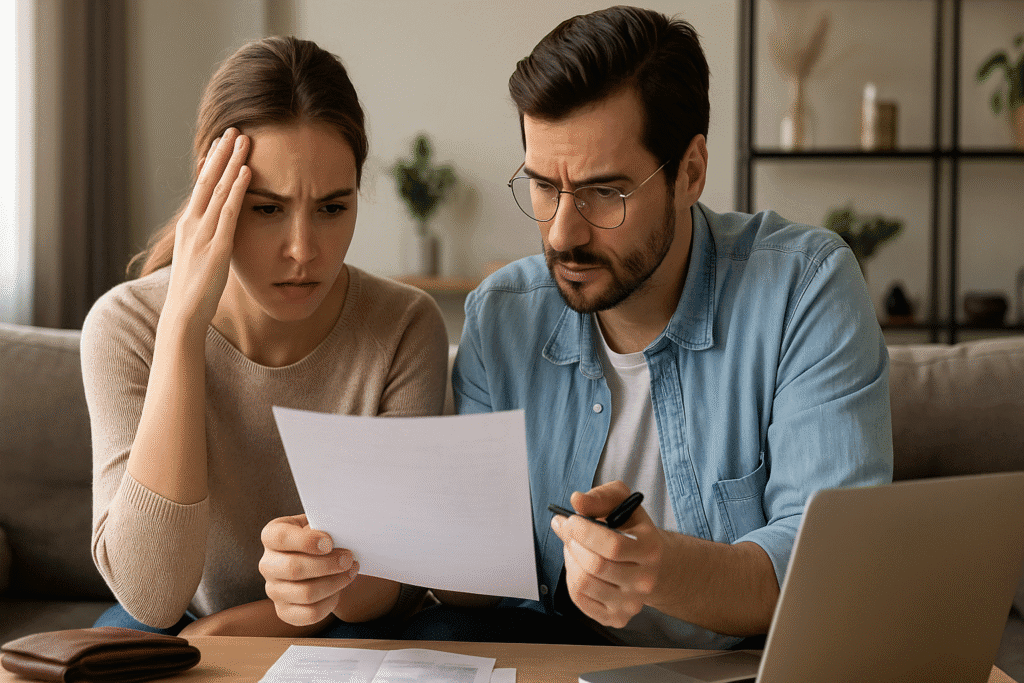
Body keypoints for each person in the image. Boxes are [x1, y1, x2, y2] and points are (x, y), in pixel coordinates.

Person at [406, 5, 894, 647]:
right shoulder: (503, 313)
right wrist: (367, 551)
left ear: (690, 172)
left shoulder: (805, 288)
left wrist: (662, 569)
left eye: (605, 193)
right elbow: (478, 576)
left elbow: (828, 570)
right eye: (544, 186)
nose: (562, 233)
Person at [82, 36, 448, 637]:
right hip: (174, 621)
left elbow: (388, 579)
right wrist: (180, 327)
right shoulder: (125, 326)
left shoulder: (406, 325)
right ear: (211, 193)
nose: (304, 251)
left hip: (351, 622)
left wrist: (238, 629)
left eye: (332, 208)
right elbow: (151, 596)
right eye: (267, 209)